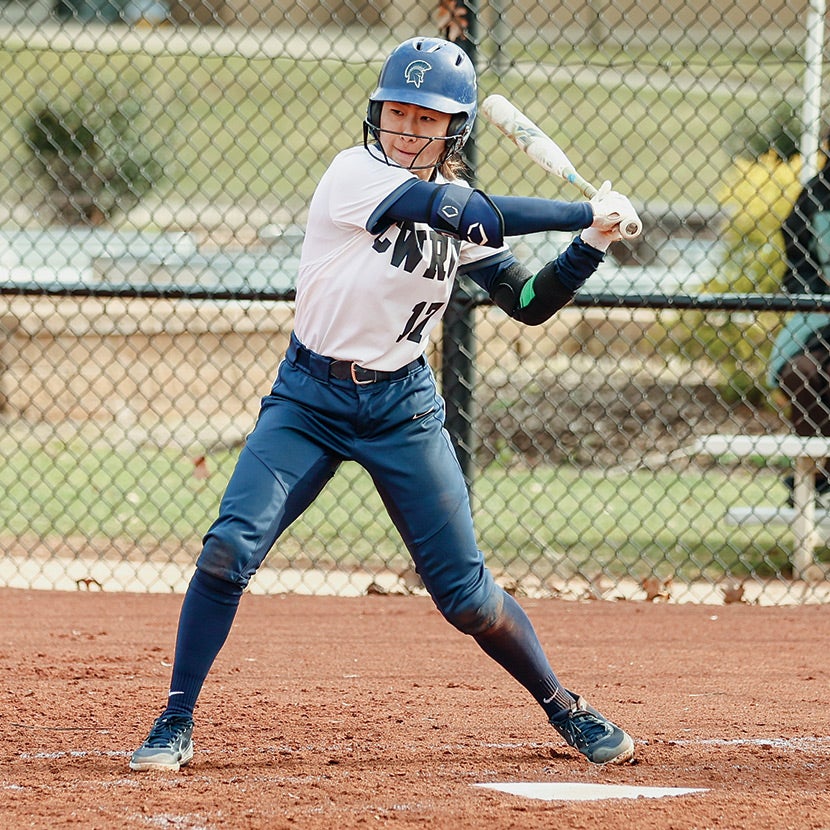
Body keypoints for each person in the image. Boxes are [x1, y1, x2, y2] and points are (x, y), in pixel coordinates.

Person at [129, 35, 639, 772]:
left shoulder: (464, 209)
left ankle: (566, 707)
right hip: (309, 397)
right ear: (376, 115)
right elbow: (458, 211)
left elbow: (528, 302)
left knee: (466, 598)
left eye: (427, 120)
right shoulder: (354, 174)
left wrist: (589, 242)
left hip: (403, 407)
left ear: (452, 130)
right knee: (227, 551)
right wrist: (577, 208)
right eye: (398, 113)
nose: (408, 130)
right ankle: (175, 721)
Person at [768, 151, 830, 504]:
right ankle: (814, 477)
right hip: (821, 316)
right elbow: (796, 260)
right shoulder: (817, 194)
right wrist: (817, 295)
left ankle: (824, 476)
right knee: (798, 373)